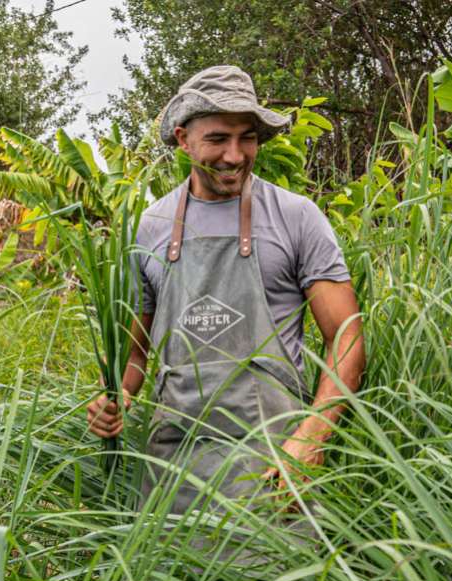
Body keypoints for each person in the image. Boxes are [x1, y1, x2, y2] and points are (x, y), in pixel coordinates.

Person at [87, 65, 365, 516]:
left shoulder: (297, 217)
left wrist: (313, 434)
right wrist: (111, 398)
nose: (234, 156)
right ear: (183, 139)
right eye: (217, 139)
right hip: (174, 467)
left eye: (247, 138)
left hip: (274, 462)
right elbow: (133, 352)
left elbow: (346, 335)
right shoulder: (151, 227)